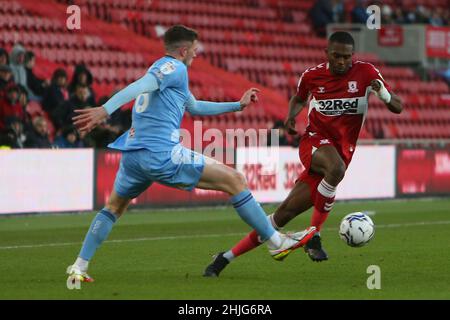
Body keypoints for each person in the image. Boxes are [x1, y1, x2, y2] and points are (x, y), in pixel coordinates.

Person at [66, 25, 317, 284]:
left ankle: (79, 266)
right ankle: (276, 242)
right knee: (236, 180)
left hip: (133, 156)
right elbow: (141, 84)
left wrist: (237, 106)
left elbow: (194, 106)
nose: (196, 55)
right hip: (161, 153)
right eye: (195, 51)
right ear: (184, 50)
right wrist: (105, 110)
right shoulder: (175, 68)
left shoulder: (166, 71)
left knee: (114, 207)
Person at [203, 31, 403, 277]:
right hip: (314, 142)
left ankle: (224, 259)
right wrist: (290, 117)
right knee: (336, 169)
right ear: (327, 54)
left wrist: (382, 94)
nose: (341, 61)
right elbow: (298, 100)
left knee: (281, 215)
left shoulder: (366, 73)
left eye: (346, 57)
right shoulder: (312, 75)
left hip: (340, 153)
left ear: (353, 56)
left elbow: (398, 107)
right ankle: (314, 236)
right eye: (336, 56)